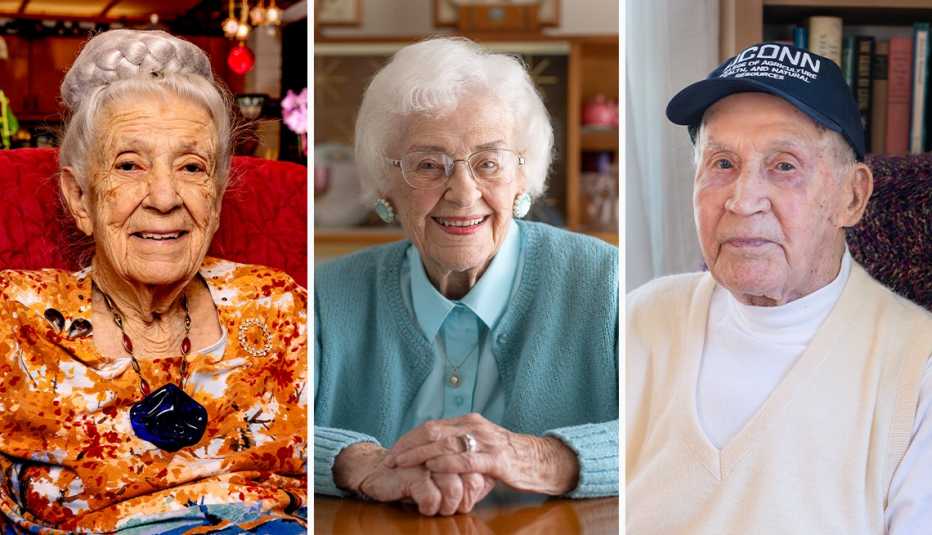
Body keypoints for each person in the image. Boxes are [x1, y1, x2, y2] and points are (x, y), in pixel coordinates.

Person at [0, 30, 307, 533]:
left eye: (192, 166)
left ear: (216, 194)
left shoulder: (278, 307)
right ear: (80, 199)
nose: (164, 196)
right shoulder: (16, 318)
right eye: (129, 164)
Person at [627, 42, 932, 534]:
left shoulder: (918, 373)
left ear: (852, 197)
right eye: (721, 163)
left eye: (784, 166)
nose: (743, 201)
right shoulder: (642, 320)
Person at [314, 37, 618, 516]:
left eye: (488, 163)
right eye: (428, 165)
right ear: (386, 185)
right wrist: (360, 463)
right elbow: (267, 432)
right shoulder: (327, 298)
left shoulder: (605, 282)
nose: (462, 193)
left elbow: (667, 431)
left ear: (523, 176)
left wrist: (542, 457)